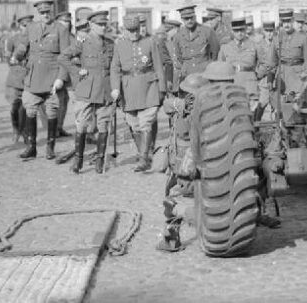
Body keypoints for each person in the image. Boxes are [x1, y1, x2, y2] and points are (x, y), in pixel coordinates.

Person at [157, 72, 210, 253]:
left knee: (175, 199)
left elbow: (184, 132)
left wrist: (187, 109)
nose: (185, 97)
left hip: (186, 163)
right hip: (179, 161)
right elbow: (166, 104)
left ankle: (172, 239)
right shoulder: (186, 106)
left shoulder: (197, 114)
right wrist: (181, 105)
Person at [59, 11, 116, 174]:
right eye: (100, 24)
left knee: (103, 124)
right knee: (82, 124)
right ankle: (78, 160)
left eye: (105, 24)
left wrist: (116, 89)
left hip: (105, 90)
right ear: (91, 25)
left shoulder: (111, 44)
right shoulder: (82, 42)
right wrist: (77, 71)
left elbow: (115, 67)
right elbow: (63, 58)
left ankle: (99, 159)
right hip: (86, 89)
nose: (103, 27)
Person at [110, 14, 166, 173]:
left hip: (149, 87)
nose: (134, 33)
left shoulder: (150, 42)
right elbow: (115, 68)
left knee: (146, 123)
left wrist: (162, 89)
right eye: (130, 30)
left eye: (136, 30)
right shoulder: (119, 45)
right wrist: (115, 88)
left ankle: (143, 158)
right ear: (124, 30)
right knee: (134, 125)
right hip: (128, 90)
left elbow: (159, 67)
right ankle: (145, 154)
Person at [20, 0, 71, 160]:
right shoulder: (31, 28)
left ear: (52, 12)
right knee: (30, 109)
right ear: (38, 14)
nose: (45, 15)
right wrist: (19, 58)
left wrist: (61, 78)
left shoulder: (60, 29)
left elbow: (65, 56)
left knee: (51, 111)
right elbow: (23, 48)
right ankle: (31, 147)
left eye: (48, 12)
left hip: (52, 77)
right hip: (33, 77)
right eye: (42, 13)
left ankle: (50, 147)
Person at [219, 16, 263, 116]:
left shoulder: (254, 45)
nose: (239, 33)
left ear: (245, 30)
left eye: (242, 30)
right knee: (233, 114)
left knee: (250, 114)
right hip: (232, 84)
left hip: (249, 84)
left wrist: (257, 75)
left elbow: (265, 63)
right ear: (232, 31)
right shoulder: (225, 47)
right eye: (236, 31)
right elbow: (220, 67)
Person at [173, 4, 219, 86]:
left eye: (191, 17)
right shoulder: (178, 36)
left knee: (204, 97)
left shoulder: (207, 31)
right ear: (182, 19)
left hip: (204, 74)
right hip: (187, 75)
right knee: (189, 98)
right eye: (186, 19)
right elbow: (179, 56)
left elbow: (215, 52)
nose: (189, 20)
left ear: (195, 16)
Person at [271, 8, 307, 99]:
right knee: (281, 106)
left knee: (296, 105)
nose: (286, 24)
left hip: (298, 77)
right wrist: (270, 80)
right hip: (282, 77)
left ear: (293, 21)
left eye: (289, 21)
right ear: (281, 22)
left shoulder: (303, 38)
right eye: (284, 22)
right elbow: (272, 62)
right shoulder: (276, 39)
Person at [5, 13, 32, 143]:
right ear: (20, 26)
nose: (26, 28)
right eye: (24, 26)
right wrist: (16, 60)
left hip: (30, 77)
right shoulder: (13, 39)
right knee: (15, 107)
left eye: (29, 25)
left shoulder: (36, 38)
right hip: (15, 78)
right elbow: (8, 59)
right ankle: (16, 129)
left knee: (27, 108)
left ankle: (26, 133)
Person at [54, 11, 73, 137]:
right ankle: (54, 128)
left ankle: (59, 127)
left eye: (68, 21)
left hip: (69, 73)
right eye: (63, 21)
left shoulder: (72, 35)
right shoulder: (55, 35)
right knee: (57, 101)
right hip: (57, 72)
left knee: (65, 100)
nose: (66, 24)